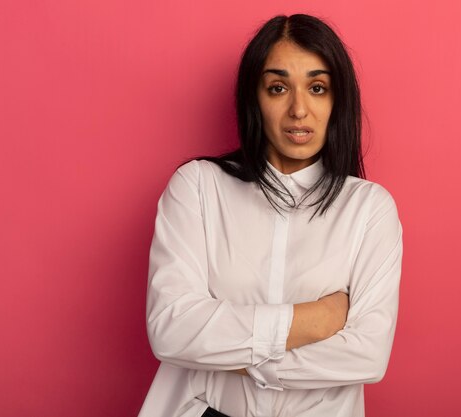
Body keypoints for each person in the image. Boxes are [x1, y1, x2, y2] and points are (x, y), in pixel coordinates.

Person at [138, 14, 403, 417]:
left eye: (317, 88)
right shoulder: (198, 187)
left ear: (338, 101)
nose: (299, 109)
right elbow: (171, 329)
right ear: (254, 99)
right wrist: (314, 320)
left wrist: (235, 356)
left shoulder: (369, 209)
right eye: (278, 88)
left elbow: (368, 355)